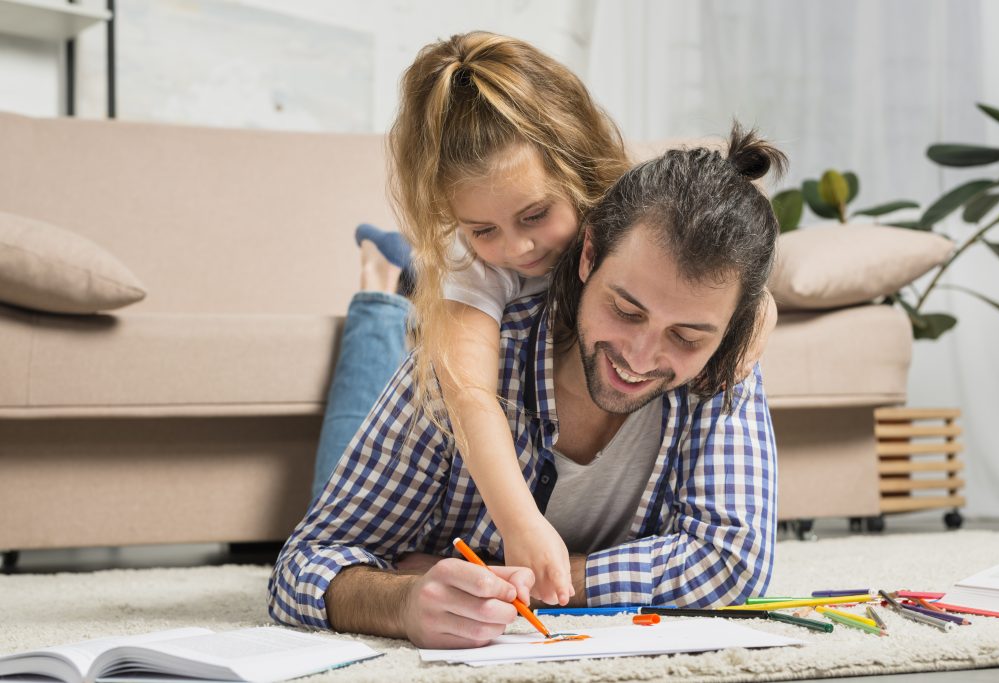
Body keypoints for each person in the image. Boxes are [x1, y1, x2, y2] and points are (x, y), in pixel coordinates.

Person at [307, 32, 779, 607]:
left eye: (536, 214)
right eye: (484, 228)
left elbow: (731, 560)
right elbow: (469, 394)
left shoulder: (634, 213)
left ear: (579, 179)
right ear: (591, 256)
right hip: (453, 335)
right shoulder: (478, 271)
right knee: (383, 399)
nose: (520, 246)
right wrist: (519, 528)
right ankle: (381, 294)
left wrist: (748, 327)